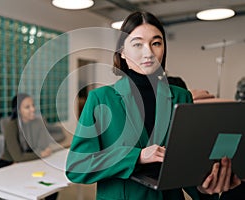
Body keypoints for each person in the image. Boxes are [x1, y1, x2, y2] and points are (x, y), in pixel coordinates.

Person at [66, 11, 241, 200]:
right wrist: (137, 156)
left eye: (156, 43)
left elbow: (187, 164)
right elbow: (77, 167)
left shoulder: (181, 97)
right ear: (122, 52)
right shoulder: (101, 99)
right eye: (138, 44)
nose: (148, 52)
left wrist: (204, 188)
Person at [0, 93, 58, 200]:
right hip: (8, 165)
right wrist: (40, 154)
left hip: (29, 161)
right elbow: (17, 157)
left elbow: (44, 147)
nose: (33, 109)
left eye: (33, 105)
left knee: (52, 188)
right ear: (18, 110)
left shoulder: (38, 122)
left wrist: (39, 153)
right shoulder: (11, 126)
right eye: (27, 107)